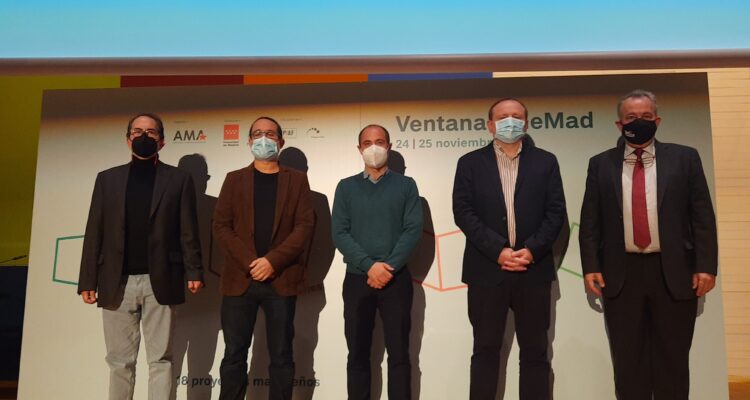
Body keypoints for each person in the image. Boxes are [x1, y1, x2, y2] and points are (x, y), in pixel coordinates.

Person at [579, 89, 718, 399]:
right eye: (631, 117)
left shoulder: (685, 158)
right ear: (619, 124)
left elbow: (702, 217)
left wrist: (706, 266)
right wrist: (590, 266)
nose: (638, 122)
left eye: (645, 116)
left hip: (675, 272)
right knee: (628, 360)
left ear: (657, 121)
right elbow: (590, 221)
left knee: (673, 359)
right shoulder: (600, 164)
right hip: (621, 274)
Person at [78, 112, 204, 400]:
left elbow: (188, 229)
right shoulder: (107, 179)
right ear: (127, 140)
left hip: (162, 279)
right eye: (137, 131)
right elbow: (94, 230)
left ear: (162, 141)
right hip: (116, 281)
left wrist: (194, 271)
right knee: (119, 361)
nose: (143, 136)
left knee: (161, 360)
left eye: (150, 132)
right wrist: (87, 280)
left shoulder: (179, 179)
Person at [452, 98, 566, 400]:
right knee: (485, 349)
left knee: (536, 351)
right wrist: (498, 250)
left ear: (526, 123)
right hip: (486, 271)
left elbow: (556, 213)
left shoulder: (546, 161)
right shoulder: (469, 163)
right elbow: (463, 212)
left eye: (516, 116)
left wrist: (531, 250)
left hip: (533, 270)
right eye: (503, 117)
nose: (510, 121)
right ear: (490, 125)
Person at [213, 116, 314, 400]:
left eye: (270, 134)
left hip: (281, 279)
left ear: (280, 141)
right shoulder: (234, 179)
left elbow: (304, 226)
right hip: (239, 280)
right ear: (249, 141)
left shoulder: (297, 180)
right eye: (257, 134)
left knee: (281, 354)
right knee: (234, 354)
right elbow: (221, 226)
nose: (264, 139)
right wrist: (251, 262)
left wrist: (272, 261)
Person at [332, 124, 423, 400]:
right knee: (358, 353)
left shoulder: (407, 185)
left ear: (389, 147)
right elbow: (339, 232)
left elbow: (413, 230)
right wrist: (369, 265)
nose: (374, 148)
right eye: (367, 143)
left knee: (399, 354)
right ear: (359, 149)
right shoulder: (346, 187)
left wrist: (388, 267)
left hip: (397, 279)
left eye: (380, 142)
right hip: (357, 279)